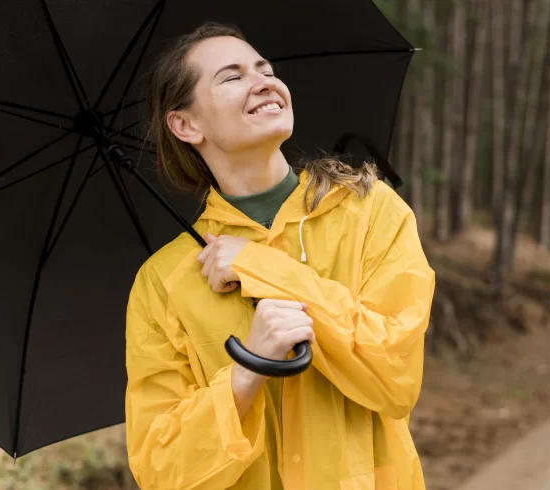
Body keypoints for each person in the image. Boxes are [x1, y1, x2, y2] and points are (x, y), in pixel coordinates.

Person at [124, 23, 435, 490]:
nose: (264, 81)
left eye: (265, 69)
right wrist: (248, 369)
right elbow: (160, 469)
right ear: (186, 125)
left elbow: (394, 377)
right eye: (231, 77)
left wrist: (261, 266)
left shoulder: (369, 212)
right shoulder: (163, 280)